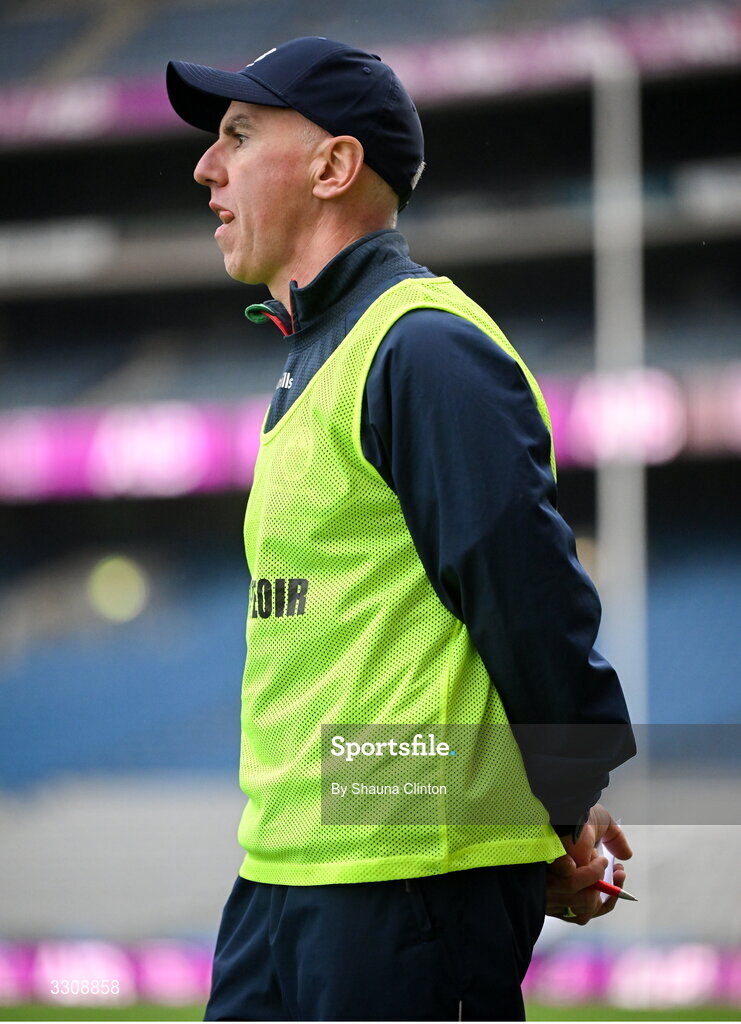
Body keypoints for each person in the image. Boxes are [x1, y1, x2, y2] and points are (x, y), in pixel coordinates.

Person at [166, 37, 636, 1021]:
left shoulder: (421, 343)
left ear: (334, 167)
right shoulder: (313, 360)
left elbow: (530, 599)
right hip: (285, 873)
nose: (207, 168)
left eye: (239, 137)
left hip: (405, 885)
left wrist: (556, 813)